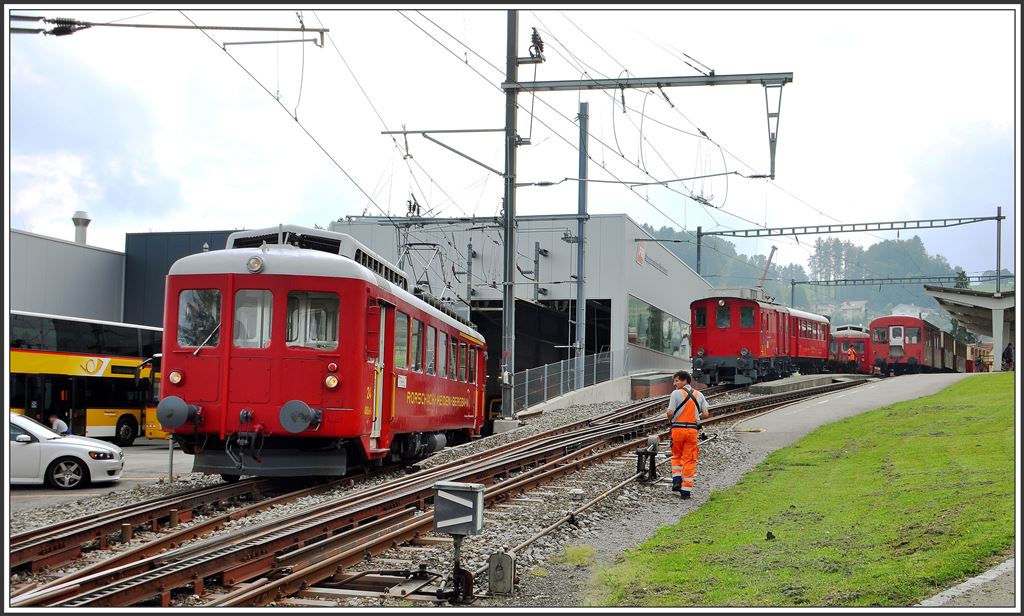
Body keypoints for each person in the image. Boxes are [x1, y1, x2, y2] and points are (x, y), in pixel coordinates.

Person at [665, 370, 710, 500]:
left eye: (676, 381)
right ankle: (685, 491)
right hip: (692, 431)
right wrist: (696, 418)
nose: (674, 384)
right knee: (689, 459)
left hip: (677, 430)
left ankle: (677, 480)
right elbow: (706, 414)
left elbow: (670, 412)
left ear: (685, 381)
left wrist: (671, 419)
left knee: (677, 455)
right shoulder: (699, 394)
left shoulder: (676, 393)